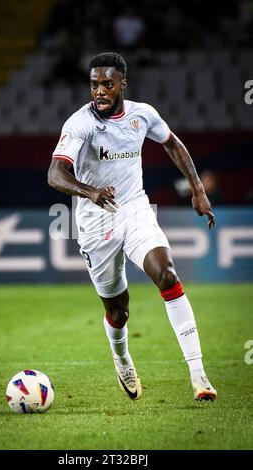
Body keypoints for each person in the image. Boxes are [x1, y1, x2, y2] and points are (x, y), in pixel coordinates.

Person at [48, 52, 217, 402]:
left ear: (123, 84)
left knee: (167, 273)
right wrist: (89, 191)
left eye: (107, 84)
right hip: (95, 222)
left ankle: (199, 375)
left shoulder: (143, 115)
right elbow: (55, 174)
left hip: (134, 209)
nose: (99, 91)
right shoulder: (79, 124)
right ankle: (122, 356)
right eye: (94, 84)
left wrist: (198, 190)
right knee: (117, 309)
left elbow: (171, 143)